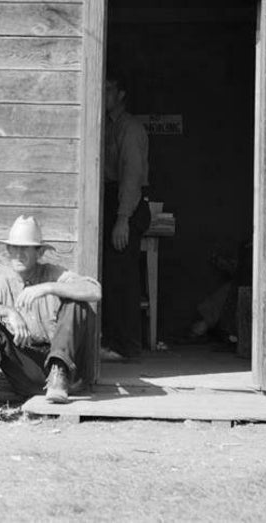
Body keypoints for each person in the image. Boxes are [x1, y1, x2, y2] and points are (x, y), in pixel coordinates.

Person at [0, 215, 101, 409]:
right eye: (14, 248)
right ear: (8, 250)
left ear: (39, 252)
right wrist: (9, 312)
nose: (19, 254)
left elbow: (94, 291)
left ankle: (58, 373)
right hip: (27, 372)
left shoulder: (53, 273)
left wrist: (47, 288)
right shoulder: (1, 281)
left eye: (25, 248)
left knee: (77, 303)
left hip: (70, 374)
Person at [101, 73, 152, 359]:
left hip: (126, 205)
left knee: (123, 277)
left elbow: (131, 177)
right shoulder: (105, 125)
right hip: (110, 202)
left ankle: (126, 346)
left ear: (121, 94)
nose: (103, 93)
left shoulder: (130, 128)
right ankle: (110, 342)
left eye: (109, 89)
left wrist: (123, 219)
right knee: (109, 276)